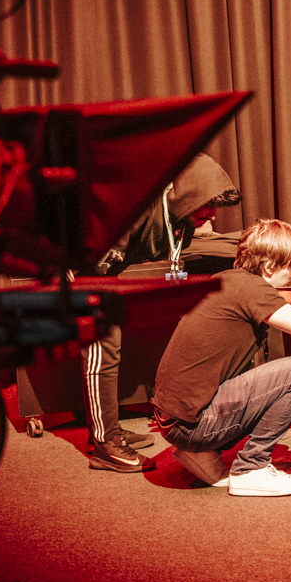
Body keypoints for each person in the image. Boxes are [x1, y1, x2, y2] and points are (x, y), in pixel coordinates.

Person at [152, 218, 291, 496]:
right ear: (269, 266)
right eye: (290, 269)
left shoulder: (230, 281)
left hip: (174, 422)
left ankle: (202, 452)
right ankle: (251, 468)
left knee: (274, 373)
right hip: (192, 427)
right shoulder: (252, 290)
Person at [84, 154, 242, 472]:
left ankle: (107, 429)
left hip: (121, 262)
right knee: (104, 342)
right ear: (186, 195)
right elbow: (93, 263)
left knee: (233, 247)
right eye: (207, 204)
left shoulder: (181, 217)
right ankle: (104, 443)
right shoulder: (135, 210)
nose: (212, 213)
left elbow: (177, 249)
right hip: (87, 264)